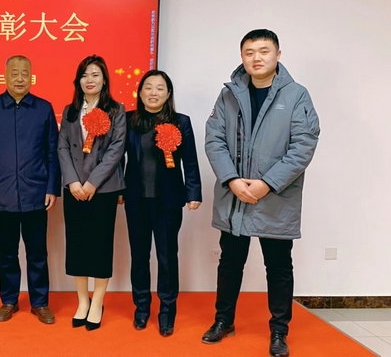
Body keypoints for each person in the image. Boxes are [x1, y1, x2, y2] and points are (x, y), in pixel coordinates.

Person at [201, 29, 320, 357]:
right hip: (235, 195)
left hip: (275, 197)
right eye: (249, 52)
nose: (257, 58)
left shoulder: (296, 95)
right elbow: (214, 139)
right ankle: (223, 321)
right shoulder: (228, 94)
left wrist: (267, 182)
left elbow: (304, 145)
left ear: (278, 55)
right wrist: (232, 179)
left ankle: (279, 331)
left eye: (264, 51)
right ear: (242, 57)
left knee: (278, 266)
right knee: (230, 262)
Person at [0, 55, 61, 324]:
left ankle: (40, 303)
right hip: (1, 193)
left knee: (38, 253)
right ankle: (9, 300)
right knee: (7, 252)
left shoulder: (44, 108)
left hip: (37, 193)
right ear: (5, 76)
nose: (20, 78)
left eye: (24, 73)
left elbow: (52, 153)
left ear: (31, 76)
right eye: (14, 73)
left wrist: (52, 188)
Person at [121, 70, 201, 337]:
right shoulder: (129, 120)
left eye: (159, 88)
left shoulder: (181, 122)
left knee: (167, 257)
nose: (153, 92)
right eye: (148, 87)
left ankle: (167, 311)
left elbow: (190, 161)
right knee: (139, 256)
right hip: (136, 199)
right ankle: (141, 308)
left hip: (168, 201)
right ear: (140, 92)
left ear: (168, 94)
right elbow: (117, 157)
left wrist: (193, 193)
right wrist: (118, 189)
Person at [57, 55, 126, 331]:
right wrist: (73, 182)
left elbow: (116, 150)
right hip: (74, 189)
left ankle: (97, 302)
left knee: (100, 246)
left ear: (104, 80)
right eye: (85, 75)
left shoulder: (116, 110)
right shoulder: (70, 110)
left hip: (103, 189)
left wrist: (92, 183)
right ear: (78, 80)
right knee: (77, 245)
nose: (90, 80)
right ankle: (82, 301)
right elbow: (62, 146)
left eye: (95, 74)